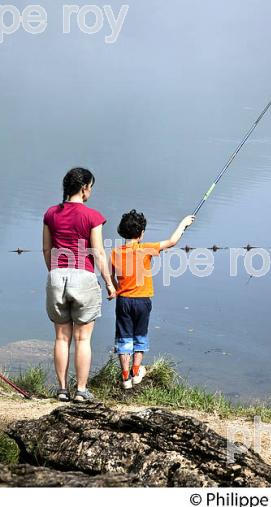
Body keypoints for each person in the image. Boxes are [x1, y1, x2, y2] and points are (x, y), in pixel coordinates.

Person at [43, 167, 116, 402]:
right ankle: (81, 391)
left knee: (61, 337)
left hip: (57, 276)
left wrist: (55, 272)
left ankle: (62, 390)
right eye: (91, 187)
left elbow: (47, 249)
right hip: (83, 277)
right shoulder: (92, 216)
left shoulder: (51, 214)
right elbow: (98, 253)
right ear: (84, 188)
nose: (91, 191)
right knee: (83, 339)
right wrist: (109, 283)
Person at [110, 210, 195, 389]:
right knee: (140, 335)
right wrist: (184, 223)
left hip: (123, 300)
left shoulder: (115, 253)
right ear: (141, 233)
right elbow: (172, 242)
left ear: (121, 231)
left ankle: (125, 377)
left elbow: (110, 277)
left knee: (124, 336)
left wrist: (116, 289)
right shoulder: (145, 248)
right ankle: (136, 371)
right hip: (142, 301)